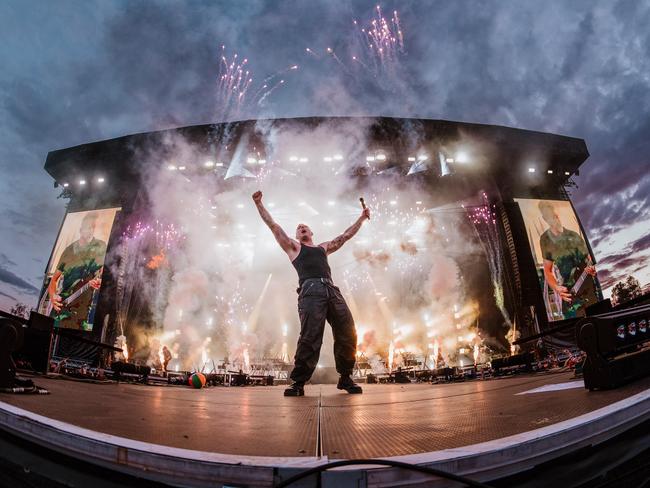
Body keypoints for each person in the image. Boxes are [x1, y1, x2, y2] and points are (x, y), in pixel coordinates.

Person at [252, 190, 369, 396]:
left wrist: (361, 218)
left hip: (331, 290)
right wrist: (258, 203)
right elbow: (273, 226)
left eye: (304, 226)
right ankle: (298, 383)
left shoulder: (323, 248)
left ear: (311, 232)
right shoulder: (293, 247)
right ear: (296, 236)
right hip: (310, 290)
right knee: (310, 335)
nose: (301, 227)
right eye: (298, 228)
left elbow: (345, 236)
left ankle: (345, 378)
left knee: (347, 331)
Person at [43, 212, 106, 329]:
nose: (90, 229)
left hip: (81, 310)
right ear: (81, 229)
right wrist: (53, 296)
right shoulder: (68, 251)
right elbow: (54, 280)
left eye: (93, 227)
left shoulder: (101, 247)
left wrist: (99, 282)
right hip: (61, 307)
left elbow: (104, 274)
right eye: (88, 226)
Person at [538, 201, 596, 318]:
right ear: (544, 219)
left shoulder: (574, 236)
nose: (553, 219)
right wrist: (557, 288)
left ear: (557, 214)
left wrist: (593, 270)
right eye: (549, 216)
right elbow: (548, 271)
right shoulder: (545, 239)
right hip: (569, 296)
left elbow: (589, 260)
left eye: (554, 215)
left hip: (588, 289)